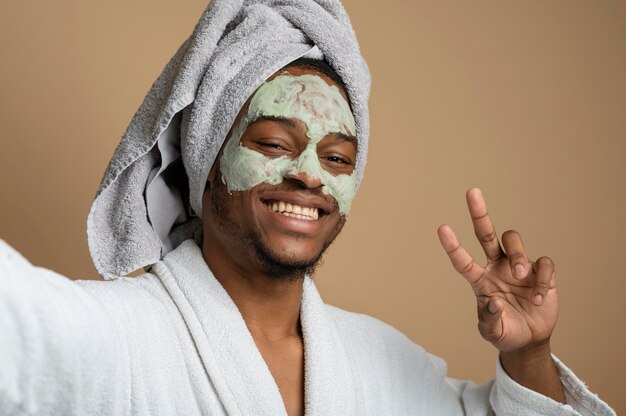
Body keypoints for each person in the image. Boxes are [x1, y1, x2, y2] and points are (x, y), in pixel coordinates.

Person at [0, 1, 616, 415]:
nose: (308, 176)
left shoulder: (381, 363)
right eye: (273, 144)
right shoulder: (123, 336)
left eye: (339, 158)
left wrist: (529, 355)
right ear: (208, 157)